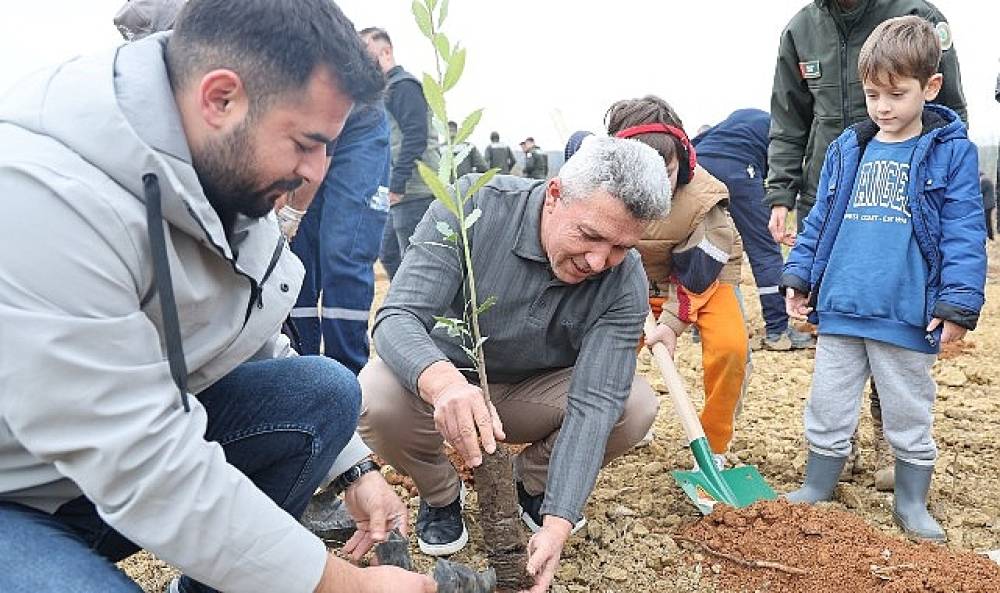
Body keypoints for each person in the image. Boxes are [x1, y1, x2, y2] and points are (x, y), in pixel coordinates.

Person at [0, 1, 435, 592]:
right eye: (307, 142)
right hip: (18, 486)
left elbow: (248, 338)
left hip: (86, 478)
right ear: (221, 98)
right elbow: (140, 459)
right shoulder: (45, 193)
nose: (316, 173)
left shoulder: (221, 163)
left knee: (322, 390)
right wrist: (340, 583)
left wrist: (354, 470)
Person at [358, 137, 669, 593]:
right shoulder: (472, 209)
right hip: (447, 385)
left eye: (621, 246)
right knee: (375, 395)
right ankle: (441, 493)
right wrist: (443, 382)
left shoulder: (623, 280)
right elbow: (397, 317)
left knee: (634, 404)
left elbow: (596, 401)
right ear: (556, 194)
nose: (599, 261)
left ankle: (531, 484)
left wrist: (558, 523)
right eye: (589, 235)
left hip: (532, 396)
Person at [782, 16, 985, 543]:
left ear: (930, 87)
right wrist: (799, 276)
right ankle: (817, 485)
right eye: (873, 94)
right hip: (843, 306)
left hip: (904, 312)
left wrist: (958, 302)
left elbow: (965, 228)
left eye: (896, 94)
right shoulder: (848, 149)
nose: (883, 107)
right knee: (827, 405)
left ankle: (911, 501)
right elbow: (820, 218)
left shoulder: (950, 151)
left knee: (907, 410)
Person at [598, 96, 750, 472]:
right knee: (610, 352)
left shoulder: (704, 201)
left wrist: (670, 323)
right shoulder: (601, 192)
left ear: (683, 162)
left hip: (705, 279)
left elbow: (697, 274)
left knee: (731, 348)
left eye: (663, 172)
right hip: (636, 279)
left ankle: (712, 441)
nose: (651, 185)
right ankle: (629, 422)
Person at [766, 0, 968, 245]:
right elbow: (788, 122)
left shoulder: (920, 15)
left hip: (901, 200)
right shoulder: (799, 30)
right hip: (825, 195)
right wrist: (780, 194)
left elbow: (951, 113)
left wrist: (945, 190)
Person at [693, 109, 814, 350]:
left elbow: (695, 143)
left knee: (705, 246)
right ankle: (778, 331)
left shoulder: (738, 121)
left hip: (699, 166)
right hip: (738, 168)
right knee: (765, 250)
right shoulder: (784, 131)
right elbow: (783, 173)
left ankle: (701, 327)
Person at [290, 104, 391, 374]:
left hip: (358, 121)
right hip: (302, 122)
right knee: (294, 257)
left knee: (344, 249)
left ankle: (348, 374)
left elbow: (318, 165)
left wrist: (292, 210)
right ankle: (298, 369)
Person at [361, 27, 440, 281]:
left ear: (386, 51)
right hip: (398, 193)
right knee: (389, 253)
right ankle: (407, 311)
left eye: (365, 51)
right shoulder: (384, 91)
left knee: (417, 263)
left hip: (415, 189)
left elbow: (415, 138)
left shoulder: (403, 86)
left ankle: (425, 317)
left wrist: (398, 184)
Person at [981, 170, 996, 241]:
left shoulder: (984, 181)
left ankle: (990, 237)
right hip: (990, 204)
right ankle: (990, 236)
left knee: (987, 221)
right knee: (988, 221)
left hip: (987, 205)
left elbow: (980, 191)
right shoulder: (988, 180)